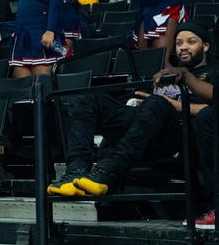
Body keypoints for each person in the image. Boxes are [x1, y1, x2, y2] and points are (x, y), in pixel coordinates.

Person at [48, 22, 219, 199]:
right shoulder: (168, 72)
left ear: (205, 46)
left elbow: (213, 111)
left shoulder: (214, 71)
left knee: (157, 103)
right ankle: (76, 170)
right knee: (88, 99)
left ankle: (108, 171)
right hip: (149, 124)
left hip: (179, 134)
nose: (183, 47)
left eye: (191, 42)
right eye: (178, 43)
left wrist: (173, 105)